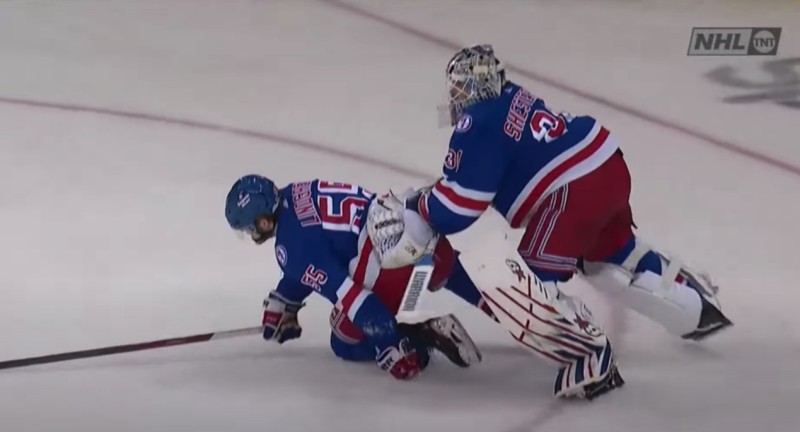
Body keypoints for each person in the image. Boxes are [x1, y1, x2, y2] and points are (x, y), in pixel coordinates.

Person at [367, 44, 732, 399]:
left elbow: (461, 206)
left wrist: (421, 206)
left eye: (463, 86)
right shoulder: (511, 94)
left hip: (571, 191)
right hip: (605, 163)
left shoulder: (477, 121)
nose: (458, 95)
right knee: (610, 256)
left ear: (478, 86)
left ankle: (592, 356)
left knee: (527, 284)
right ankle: (694, 304)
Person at [224, 175, 486, 380]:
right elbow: (313, 255)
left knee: (344, 340)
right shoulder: (295, 192)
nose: (250, 233)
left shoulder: (291, 248)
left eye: (248, 227)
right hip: (420, 241)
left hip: (397, 270)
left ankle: (424, 335)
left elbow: (352, 296)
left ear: (263, 222)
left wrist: (389, 342)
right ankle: (492, 302)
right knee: (441, 269)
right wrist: (285, 300)